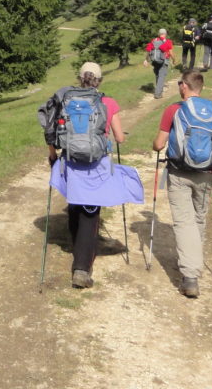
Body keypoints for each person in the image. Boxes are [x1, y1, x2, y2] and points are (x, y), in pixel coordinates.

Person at [39, 62, 144, 289]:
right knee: (90, 213)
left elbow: (50, 130)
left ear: (80, 79)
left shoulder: (68, 99)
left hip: (71, 161)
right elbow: (120, 138)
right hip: (96, 165)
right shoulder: (107, 102)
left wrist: (52, 156)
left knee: (75, 204)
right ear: (99, 80)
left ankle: (76, 245)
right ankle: (81, 268)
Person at [152, 71, 212, 298]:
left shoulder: (174, 110)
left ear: (184, 86)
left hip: (179, 172)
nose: (178, 86)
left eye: (179, 83)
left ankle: (190, 276)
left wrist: (156, 145)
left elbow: (158, 144)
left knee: (184, 222)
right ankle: (194, 264)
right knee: (197, 219)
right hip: (206, 174)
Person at [143, 28, 174, 99]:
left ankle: (159, 91)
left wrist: (146, 60)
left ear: (159, 34)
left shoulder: (154, 41)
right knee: (161, 77)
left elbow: (148, 50)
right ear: (165, 34)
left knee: (158, 75)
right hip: (163, 61)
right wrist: (174, 60)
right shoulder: (168, 41)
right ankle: (157, 94)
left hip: (154, 61)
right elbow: (171, 53)